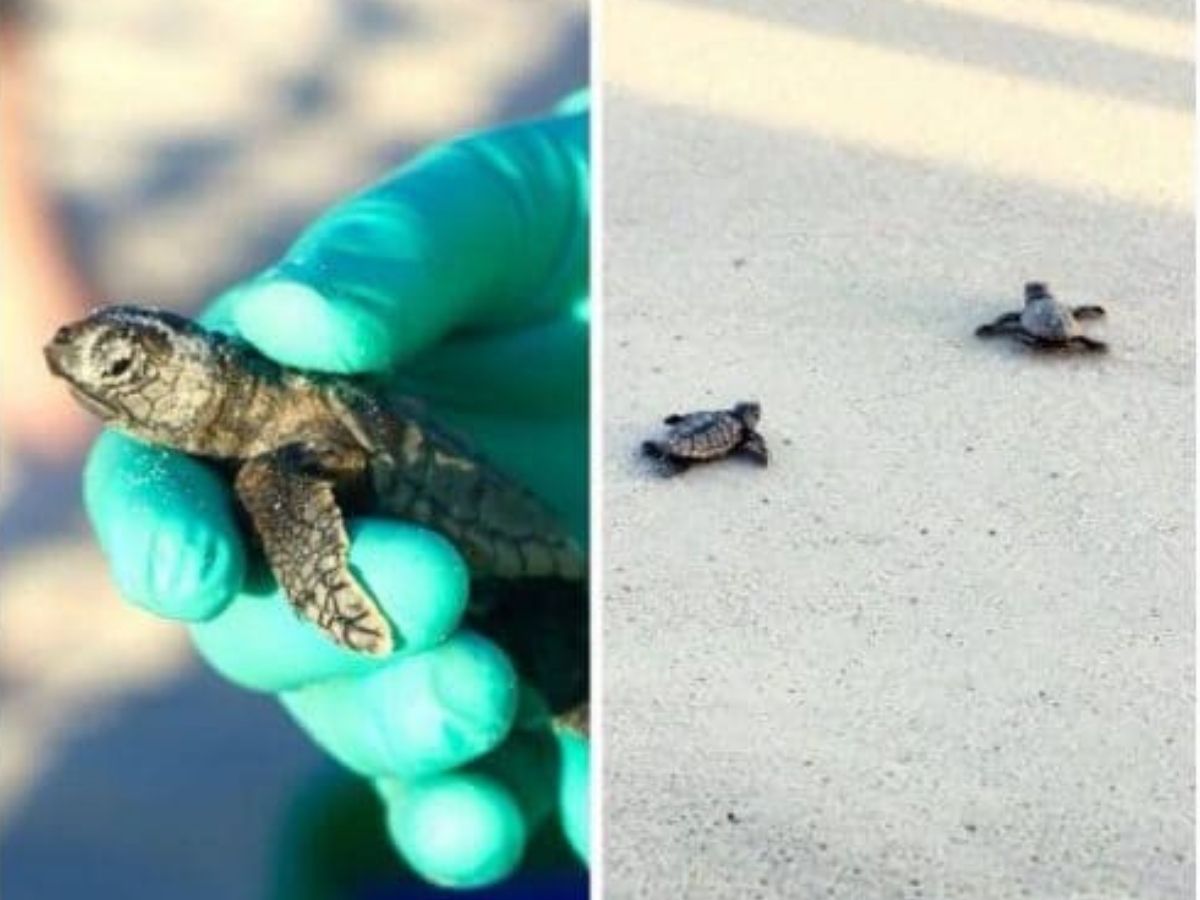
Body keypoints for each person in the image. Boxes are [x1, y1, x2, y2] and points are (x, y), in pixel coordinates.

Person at [83, 91, 590, 892]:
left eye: (125, 366)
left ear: (194, 364)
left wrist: (321, 581)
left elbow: (308, 480)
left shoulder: (277, 446)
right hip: (488, 587)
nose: (108, 383)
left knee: (573, 694)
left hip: (524, 570)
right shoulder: (254, 444)